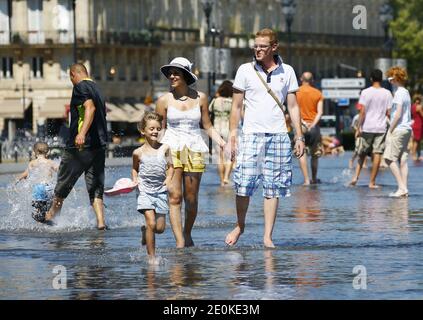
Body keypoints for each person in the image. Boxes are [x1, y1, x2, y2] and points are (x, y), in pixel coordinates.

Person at [224, 28, 305, 248]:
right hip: (250, 135)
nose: (257, 50)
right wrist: (233, 135)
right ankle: (240, 225)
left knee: (273, 187)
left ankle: (268, 236)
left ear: (274, 47)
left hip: (278, 135)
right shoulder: (245, 70)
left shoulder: (287, 71)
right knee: (244, 183)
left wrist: (299, 136)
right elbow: (237, 106)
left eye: (262, 46)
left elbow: (293, 106)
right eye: (256, 46)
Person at [156, 57, 226, 248]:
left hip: (194, 148)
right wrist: (152, 154)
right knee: (175, 197)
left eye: (176, 73)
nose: (171, 76)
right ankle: (179, 241)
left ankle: (187, 233)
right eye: (170, 73)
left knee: (191, 198)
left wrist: (222, 143)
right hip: (171, 149)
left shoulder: (201, 98)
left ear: (185, 75)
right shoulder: (163, 100)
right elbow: (158, 131)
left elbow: (208, 125)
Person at [44, 63, 108, 229]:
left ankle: (52, 216)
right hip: (99, 145)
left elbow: (90, 109)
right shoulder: (98, 89)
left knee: (63, 182)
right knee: (96, 187)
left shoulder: (80, 86)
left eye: (70, 78)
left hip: (80, 146)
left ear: (73, 74)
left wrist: (81, 133)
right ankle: (101, 222)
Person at [132, 112, 174, 264]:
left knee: (160, 228)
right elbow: (135, 169)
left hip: (161, 191)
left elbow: (171, 167)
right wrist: (135, 179)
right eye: (151, 129)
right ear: (143, 131)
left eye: (158, 128)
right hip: (144, 191)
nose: (155, 131)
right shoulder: (138, 152)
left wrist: (168, 179)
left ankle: (145, 232)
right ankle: (152, 257)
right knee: (151, 222)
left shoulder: (165, 149)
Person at [350, 69, 393, 189]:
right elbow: (389, 112)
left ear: (371, 79)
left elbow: (362, 112)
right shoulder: (387, 93)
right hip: (381, 128)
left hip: (367, 127)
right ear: (381, 79)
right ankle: (372, 182)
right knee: (377, 153)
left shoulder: (365, 92)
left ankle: (355, 178)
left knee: (362, 153)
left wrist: (358, 128)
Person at [383, 66, 412, 198]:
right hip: (407, 129)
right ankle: (404, 188)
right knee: (403, 160)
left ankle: (401, 188)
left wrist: (390, 129)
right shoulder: (406, 92)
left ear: (395, 79)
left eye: (390, 78)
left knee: (389, 158)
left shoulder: (399, 93)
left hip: (399, 128)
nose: (389, 81)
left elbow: (398, 114)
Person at [16, 142, 58, 223]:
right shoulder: (50, 162)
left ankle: (40, 223)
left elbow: (25, 174)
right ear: (48, 152)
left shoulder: (32, 163)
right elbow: (60, 172)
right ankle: (49, 221)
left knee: (38, 210)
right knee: (49, 207)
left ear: (35, 152)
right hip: (49, 187)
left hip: (38, 188)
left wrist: (16, 180)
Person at [296, 71, 324, 185]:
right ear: (312, 80)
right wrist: (312, 124)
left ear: (300, 79)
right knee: (315, 155)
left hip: (300, 126)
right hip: (314, 127)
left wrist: (302, 122)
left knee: (301, 153)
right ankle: (313, 178)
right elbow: (320, 112)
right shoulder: (318, 93)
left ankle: (306, 180)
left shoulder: (295, 92)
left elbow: (293, 109)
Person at [209, 80, 234, 186]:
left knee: (220, 156)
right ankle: (226, 177)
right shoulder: (231, 101)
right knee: (230, 156)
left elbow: (209, 111)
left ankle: (221, 180)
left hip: (216, 130)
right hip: (228, 129)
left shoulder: (215, 101)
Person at [410, 94, 423, 161]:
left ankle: (418, 155)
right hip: (419, 125)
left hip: (415, 124)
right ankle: (414, 155)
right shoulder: (419, 107)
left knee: (417, 140)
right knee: (416, 141)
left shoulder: (412, 106)